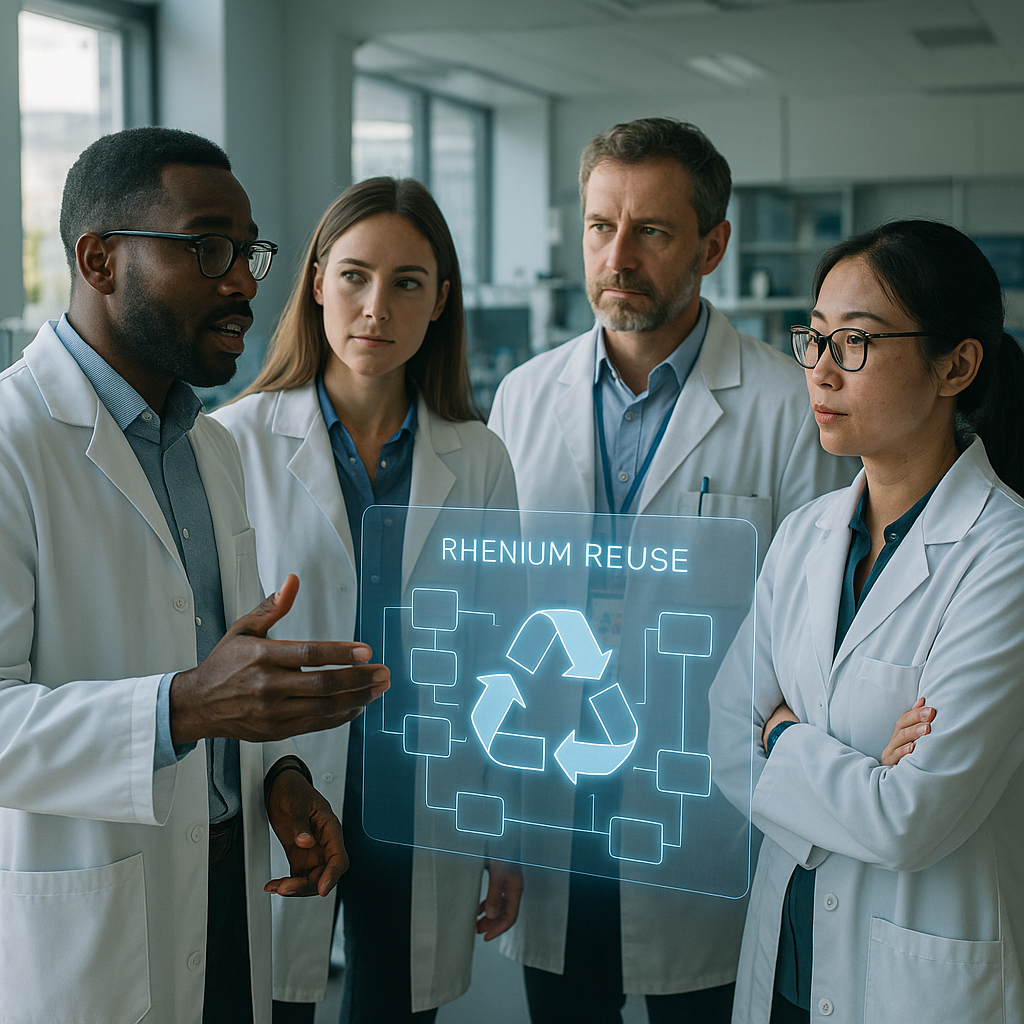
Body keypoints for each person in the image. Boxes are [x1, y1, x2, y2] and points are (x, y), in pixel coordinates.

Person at [0, 127, 391, 1024]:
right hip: (89, 928)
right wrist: (186, 708)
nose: (246, 281)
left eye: (248, 250)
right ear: (99, 260)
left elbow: (222, 680)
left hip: (221, 892)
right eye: (207, 246)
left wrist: (273, 773)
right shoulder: (13, 445)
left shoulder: (210, 448)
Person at [487, 117, 856, 1023]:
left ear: (712, 245)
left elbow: (813, 632)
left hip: (708, 807)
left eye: (651, 231)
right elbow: (499, 612)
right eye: (599, 226)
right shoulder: (523, 397)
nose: (618, 256)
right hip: (558, 796)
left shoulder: (784, 405)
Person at [214, 176, 522, 1024]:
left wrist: (506, 828)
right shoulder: (235, 442)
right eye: (353, 276)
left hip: (426, 793)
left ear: (441, 302)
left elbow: (501, 653)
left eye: (407, 283)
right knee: (276, 999)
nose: (374, 307)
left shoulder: (481, 457)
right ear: (315, 283)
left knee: (397, 1007)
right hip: (282, 782)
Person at [708, 220, 1024, 1023]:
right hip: (786, 960)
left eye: (855, 343)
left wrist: (781, 736)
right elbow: (718, 734)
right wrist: (858, 773)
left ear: (955, 364)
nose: (819, 371)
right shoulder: (805, 534)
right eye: (813, 340)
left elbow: (907, 820)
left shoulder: (1004, 557)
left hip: (913, 978)